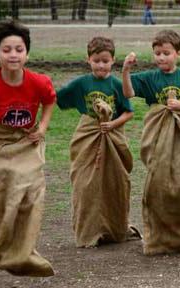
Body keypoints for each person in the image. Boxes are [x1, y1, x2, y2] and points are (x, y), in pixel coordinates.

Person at [0, 20, 55, 279]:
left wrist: (43, 128)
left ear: (27, 52)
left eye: (19, 49)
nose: (13, 55)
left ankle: (20, 252)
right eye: (7, 50)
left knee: (28, 191)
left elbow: (49, 101)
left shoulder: (39, 81)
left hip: (27, 140)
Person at [122, 29, 180, 255]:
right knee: (158, 183)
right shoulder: (149, 77)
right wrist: (126, 70)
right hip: (156, 136)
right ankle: (160, 237)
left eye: (166, 53)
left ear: (177, 54)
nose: (161, 57)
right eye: (157, 53)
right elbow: (128, 92)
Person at [56, 36, 141, 248]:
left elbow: (129, 112)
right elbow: (57, 97)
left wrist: (113, 124)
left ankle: (116, 229)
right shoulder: (82, 83)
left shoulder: (116, 84)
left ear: (113, 60)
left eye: (105, 60)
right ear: (88, 60)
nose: (101, 65)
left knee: (117, 182)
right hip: (88, 134)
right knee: (86, 183)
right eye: (96, 60)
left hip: (113, 136)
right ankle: (90, 231)